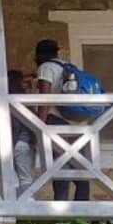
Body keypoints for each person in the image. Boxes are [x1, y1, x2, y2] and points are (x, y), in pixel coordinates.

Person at [34, 39, 91, 201]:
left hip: (57, 122)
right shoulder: (70, 67)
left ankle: (61, 206)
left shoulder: (45, 68)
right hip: (77, 123)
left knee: (60, 166)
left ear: (39, 54)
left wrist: (39, 125)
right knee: (80, 167)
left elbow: (44, 99)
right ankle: (83, 207)